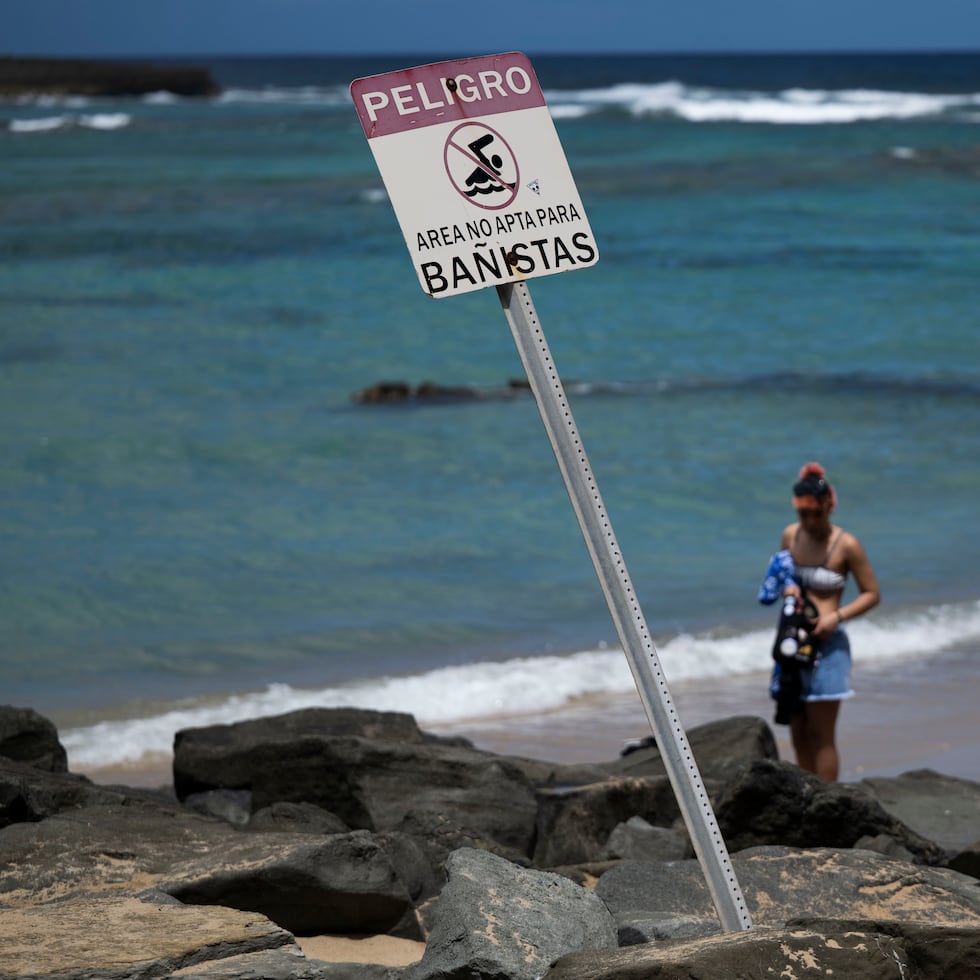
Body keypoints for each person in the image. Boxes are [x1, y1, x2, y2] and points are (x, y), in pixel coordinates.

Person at [766, 462, 880, 781]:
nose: (810, 522)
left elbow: (872, 594)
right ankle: (806, 796)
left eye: (816, 514)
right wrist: (786, 589)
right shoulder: (791, 535)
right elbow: (782, 576)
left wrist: (836, 616)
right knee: (798, 729)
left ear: (829, 506)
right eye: (804, 514)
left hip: (828, 646)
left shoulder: (847, 545)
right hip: (793, 640)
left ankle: (826, 800)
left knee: (821, 734)